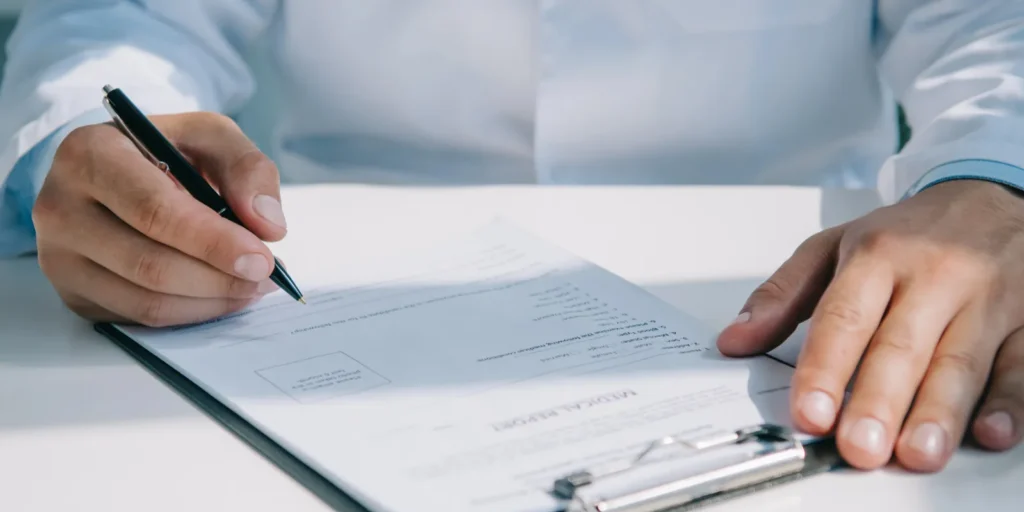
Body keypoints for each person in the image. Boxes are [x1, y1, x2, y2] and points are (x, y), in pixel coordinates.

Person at [0, 1, 1022, 474]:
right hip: (312, 284)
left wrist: (988, 176)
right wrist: (85, 142)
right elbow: (124, 16)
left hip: (783, 293)